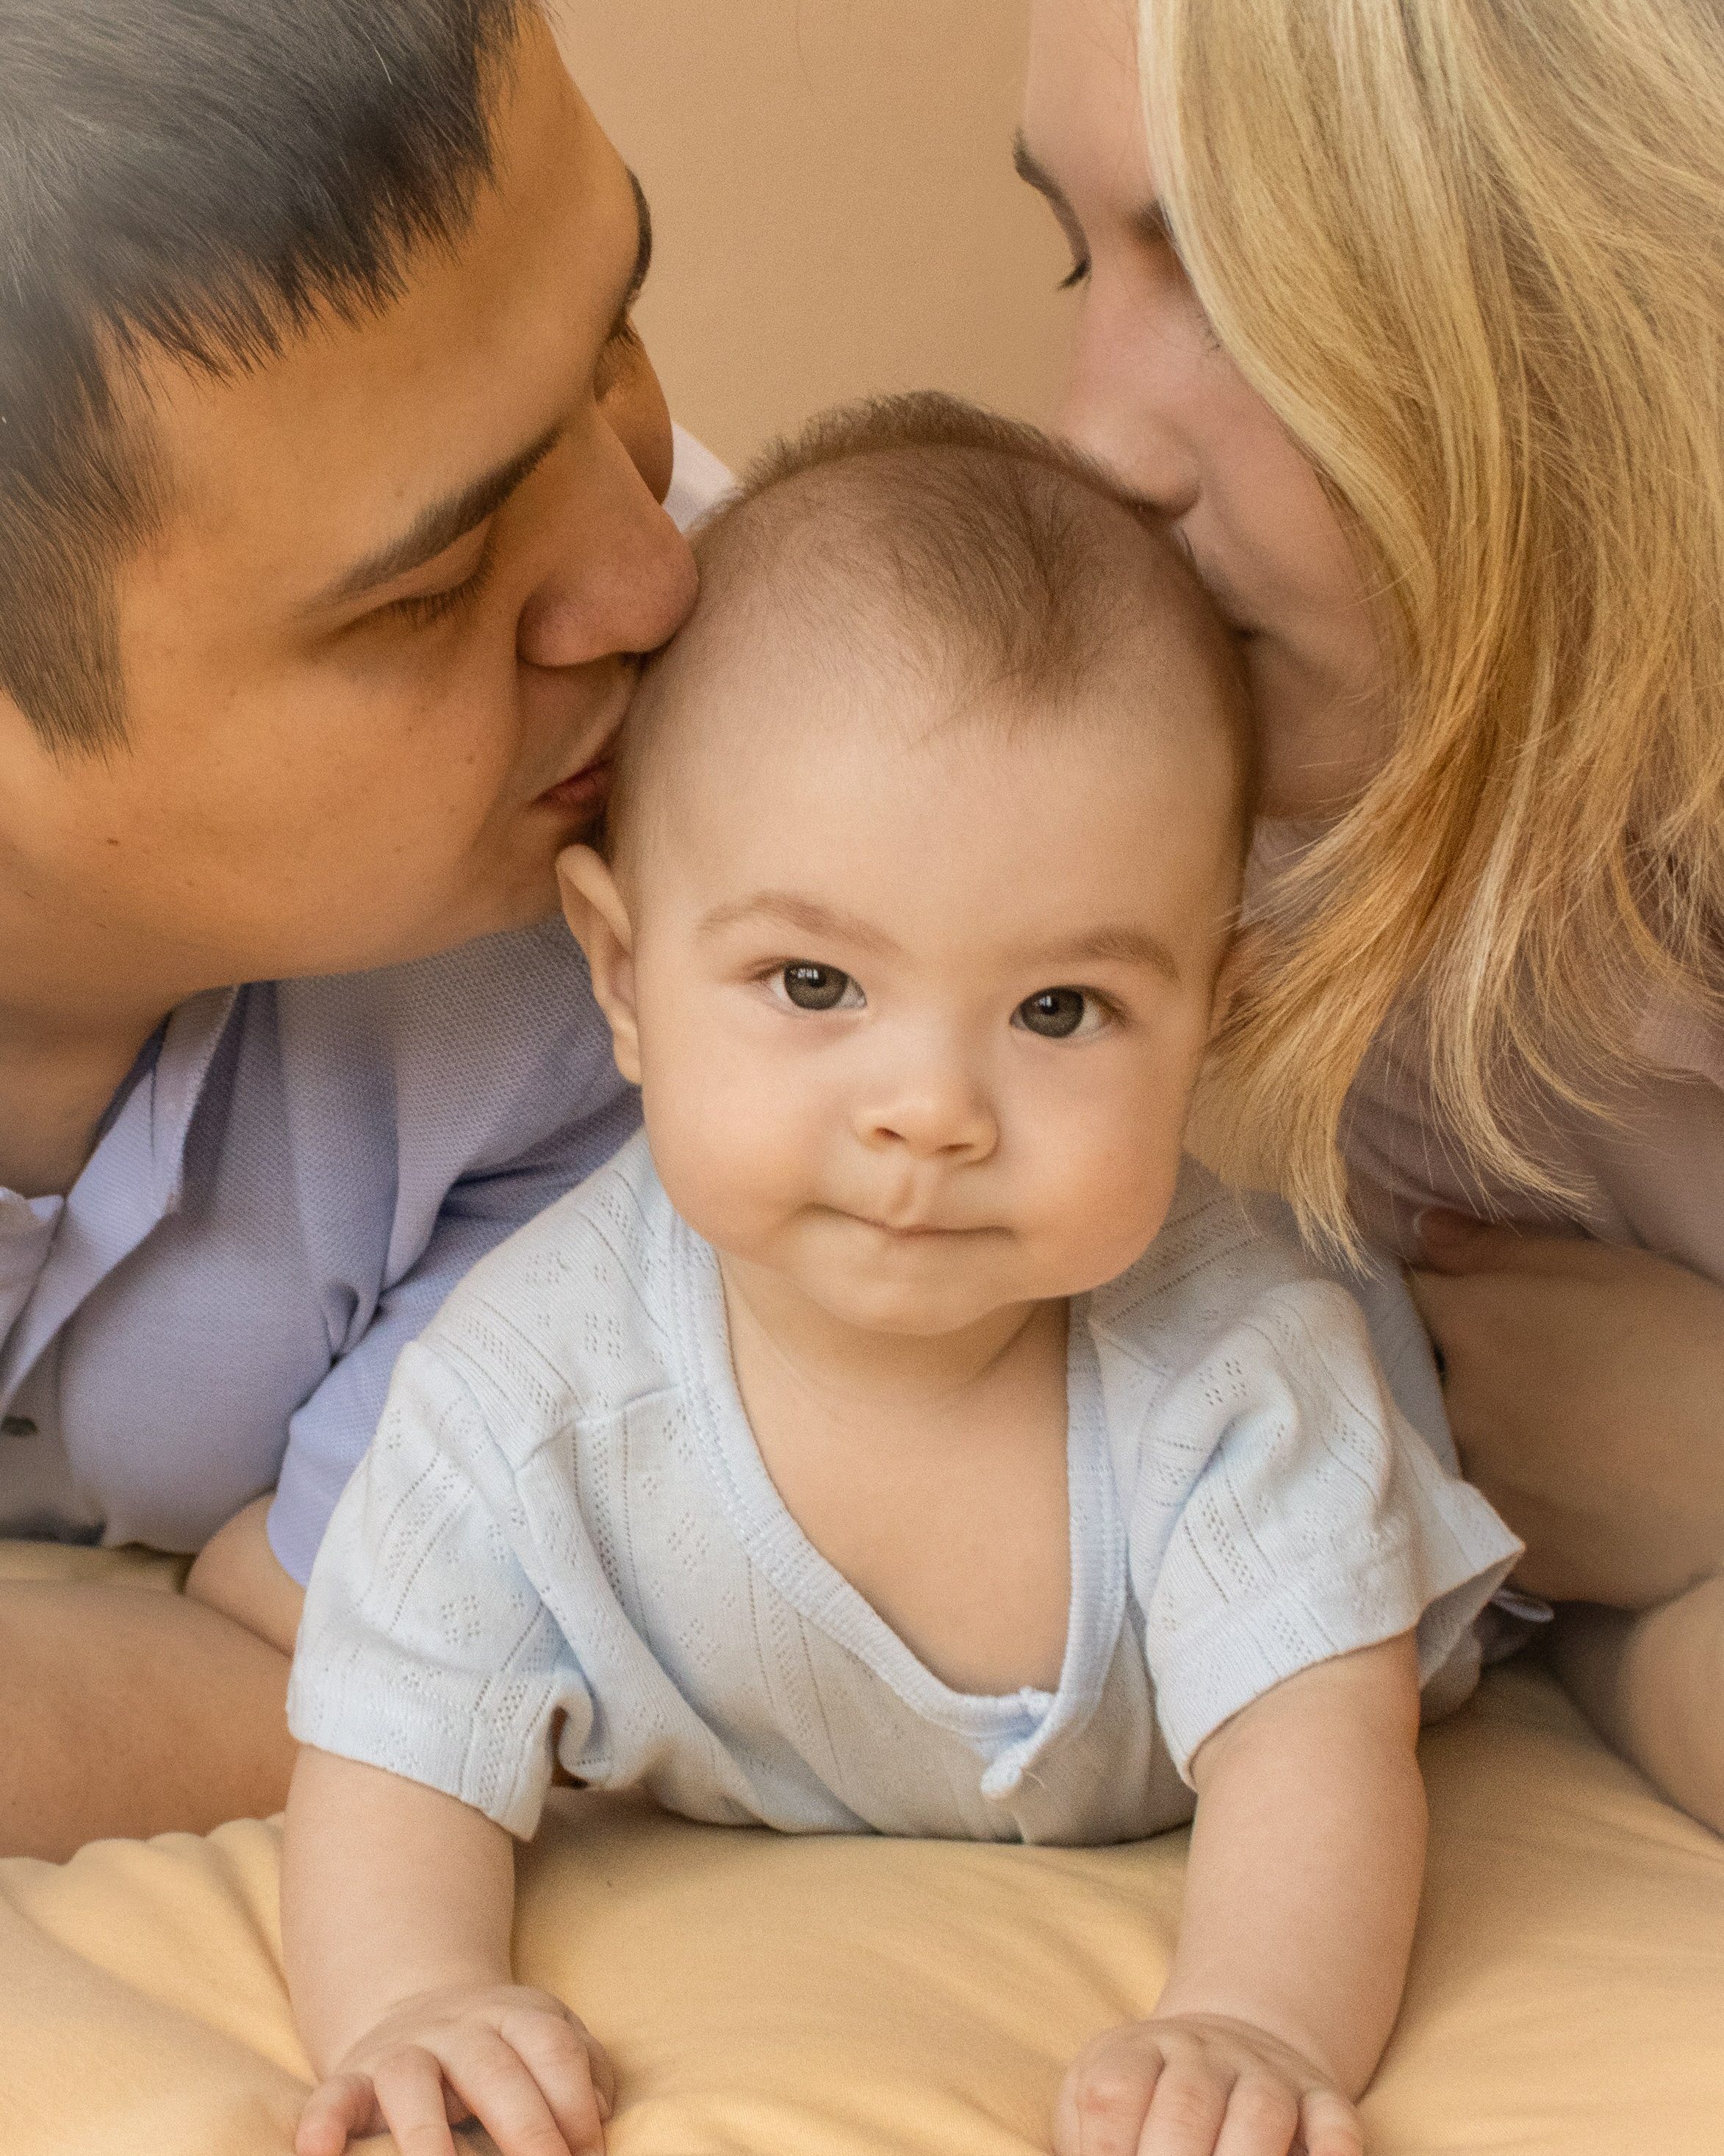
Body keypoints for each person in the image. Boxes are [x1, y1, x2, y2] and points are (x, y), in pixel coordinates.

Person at [278, 398, 1519, 2156]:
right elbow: (390, 1744)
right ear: (623, 973)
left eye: (1061, 1010)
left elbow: (1321, 1753)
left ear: (1209, 1019)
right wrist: (412, 1996)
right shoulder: (526, 1399)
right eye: (813, 985)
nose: (931, 1111)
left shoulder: (1245, 1372)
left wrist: (1254, 2016)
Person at [0, 0, 728, 1859]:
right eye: (434, 588)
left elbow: (371, 1678)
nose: (655, 576)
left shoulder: (728, 888)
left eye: (616, 336)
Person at [1016, 0, 1724, 1832]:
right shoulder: (1335, 843)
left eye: (1231, 277)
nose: (1093, 436)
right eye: (1079, 258)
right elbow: (1555, 1541)